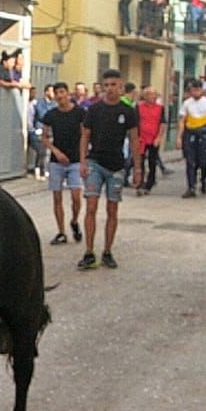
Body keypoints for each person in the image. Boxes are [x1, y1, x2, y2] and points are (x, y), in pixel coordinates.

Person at [76, 70, 140, 270]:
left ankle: (107, 251)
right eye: (107, 85)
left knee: (112, 209)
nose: (110, 89)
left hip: (117, 166)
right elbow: (85, 136)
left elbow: (135, 140)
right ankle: (88, 251)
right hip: (95, 162)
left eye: (114, 85)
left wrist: (138, 168)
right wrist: (83, 162)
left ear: (120, 86)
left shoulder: (128, 111)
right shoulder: (94, 110)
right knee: (91, 206)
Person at [40, 82, 85, 246]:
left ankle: (74, 220)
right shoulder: (50, 115)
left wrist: (83, 157)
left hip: (75, 160)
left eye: (61, 92)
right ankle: (61, 231)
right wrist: (56, 151)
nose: (59, 96)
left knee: (76, 196)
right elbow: (44, 137)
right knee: (57, 197)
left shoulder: (80, 113)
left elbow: (85, 135)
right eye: (56, 93)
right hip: (56, 161)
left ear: (68, 93)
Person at [177, 78, 206, 197]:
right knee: (190, 161)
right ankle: (191, 187)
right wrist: (179, 137)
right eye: (193, 90)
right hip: (190, 133)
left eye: (197, 90)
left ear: (202, 90)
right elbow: (182, 120)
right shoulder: (187, 103)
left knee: (203, 162)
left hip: (204, 133)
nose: (195, 93)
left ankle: (203, 180)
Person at [135, 87, 166, 195]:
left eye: (152, 94)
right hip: (141, 139)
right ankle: (139, 184)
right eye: (148, 94)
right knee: (140, 162)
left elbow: (162, 123)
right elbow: (135, 123)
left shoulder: (160, 108)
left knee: (152, 163)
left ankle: (149, 184)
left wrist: (159, 137)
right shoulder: (139, 107)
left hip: (154, 139)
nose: (150, 97)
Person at [28, 84, 55, 176]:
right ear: (46, 92)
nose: (53, 93)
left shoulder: (55, 105)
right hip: (39, 130)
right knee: (41, 151)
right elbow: (32, 117)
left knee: (48, 152)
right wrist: (33, 130)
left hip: (50, 131)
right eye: (52, 91)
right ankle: (39, 169)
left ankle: (45, 170)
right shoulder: (37, 103)